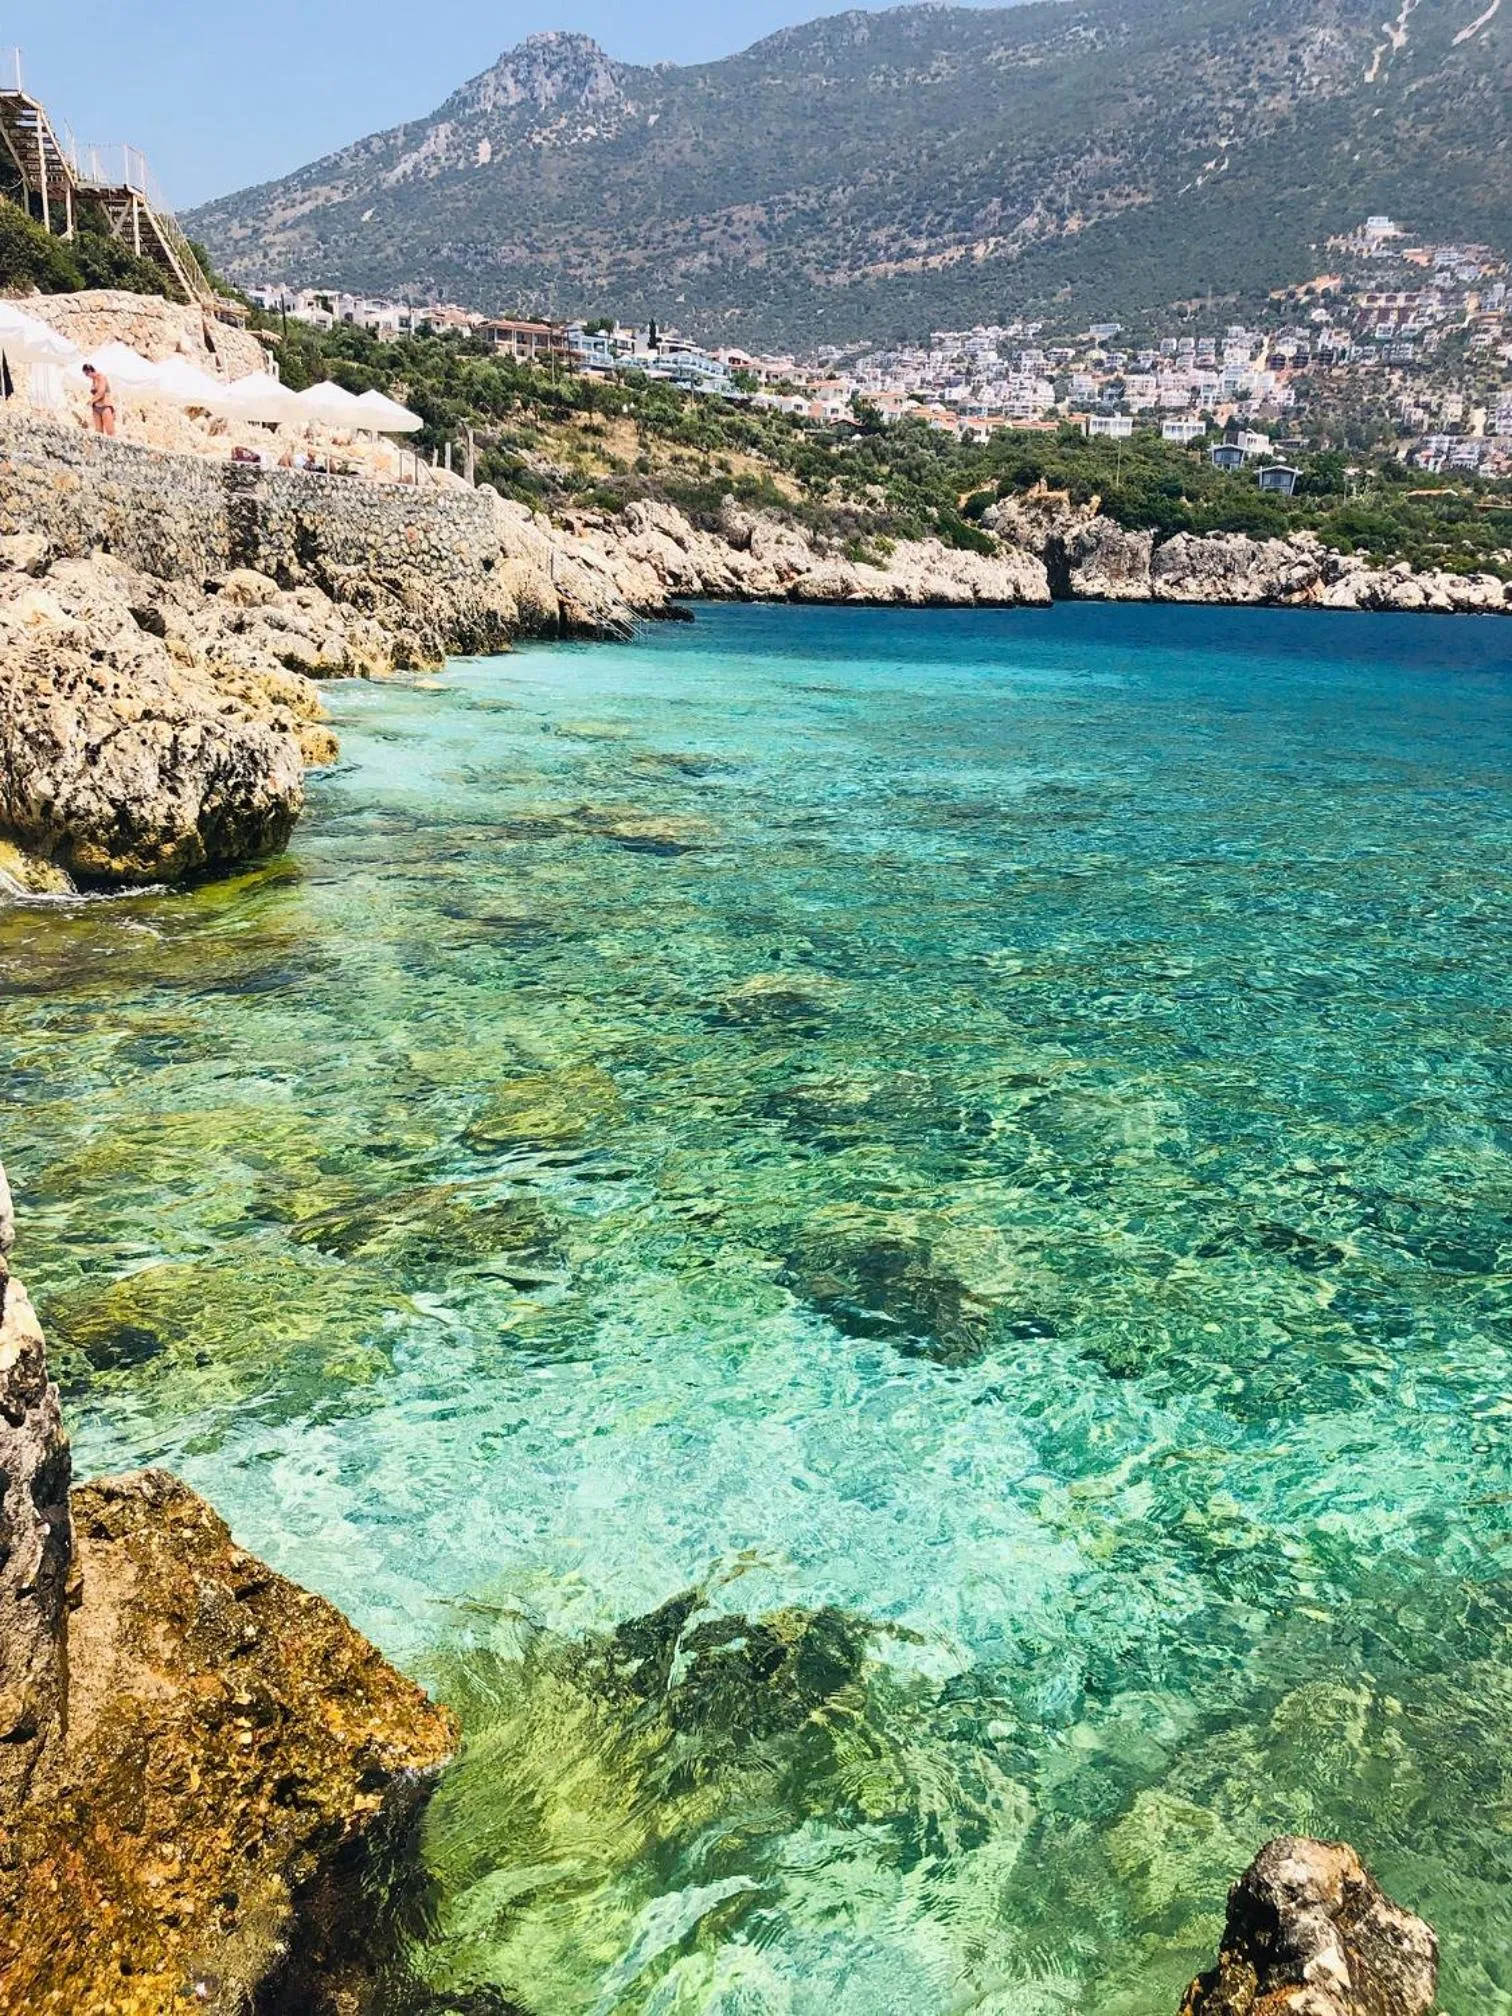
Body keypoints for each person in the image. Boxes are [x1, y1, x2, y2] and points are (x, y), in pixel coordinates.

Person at [83, 363, 115, 437]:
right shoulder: (93, 380)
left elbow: (101, 392)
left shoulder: (101, 376)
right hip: (96, 407)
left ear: (90, 371)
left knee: (110, 432)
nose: (87, 376)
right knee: (98, 434)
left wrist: (91, 401)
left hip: (105, 406)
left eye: (87, 374)